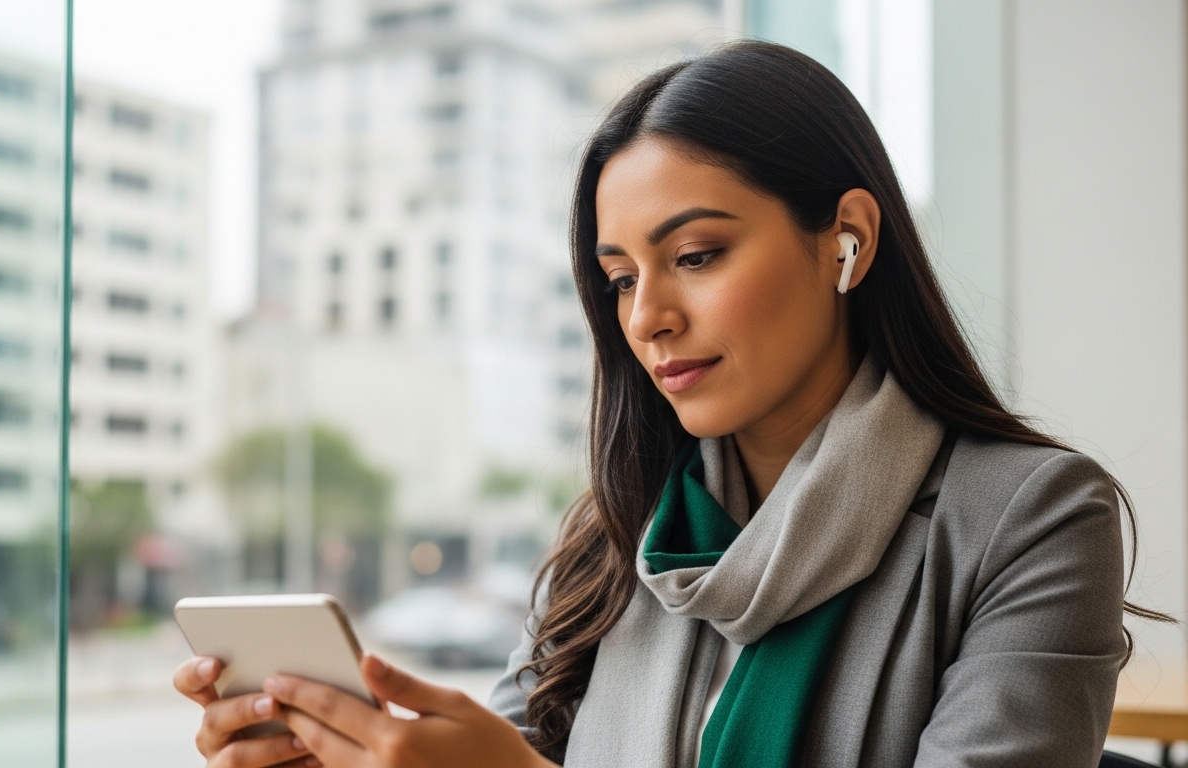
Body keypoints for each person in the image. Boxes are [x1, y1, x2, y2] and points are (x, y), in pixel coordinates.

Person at [174, 40, 1166, 768]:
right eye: (617, 277)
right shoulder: (615, 533)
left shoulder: (1031, 519)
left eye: (695, 256)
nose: (645, 317)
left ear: (845, 239)